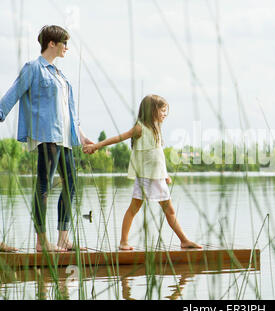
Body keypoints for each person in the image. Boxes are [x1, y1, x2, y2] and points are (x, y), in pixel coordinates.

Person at [0, 25, 94, 252]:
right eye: (64, 43)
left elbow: (70, 112)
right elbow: (13, 94)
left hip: (65, 138)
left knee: (71, 185)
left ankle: (63, 240)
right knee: (43, 186)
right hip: (46, 136)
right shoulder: (33, 68)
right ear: (52, 43)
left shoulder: (61, 75)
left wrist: (81, 137)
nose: (67, 48)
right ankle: (41, 242)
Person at [84, 94, 202, 250]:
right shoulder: (140, 128)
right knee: (134, 208)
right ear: (151, 110)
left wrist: (165, 174)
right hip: (145, 177)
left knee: (169, 209)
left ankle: (184, 240)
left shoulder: (156, 128)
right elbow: (118, 138)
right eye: (162, 110)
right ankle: (124, 242)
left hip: (158, 177)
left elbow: (158, 154)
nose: (165, 114)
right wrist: (97, 146)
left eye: (166, 111)